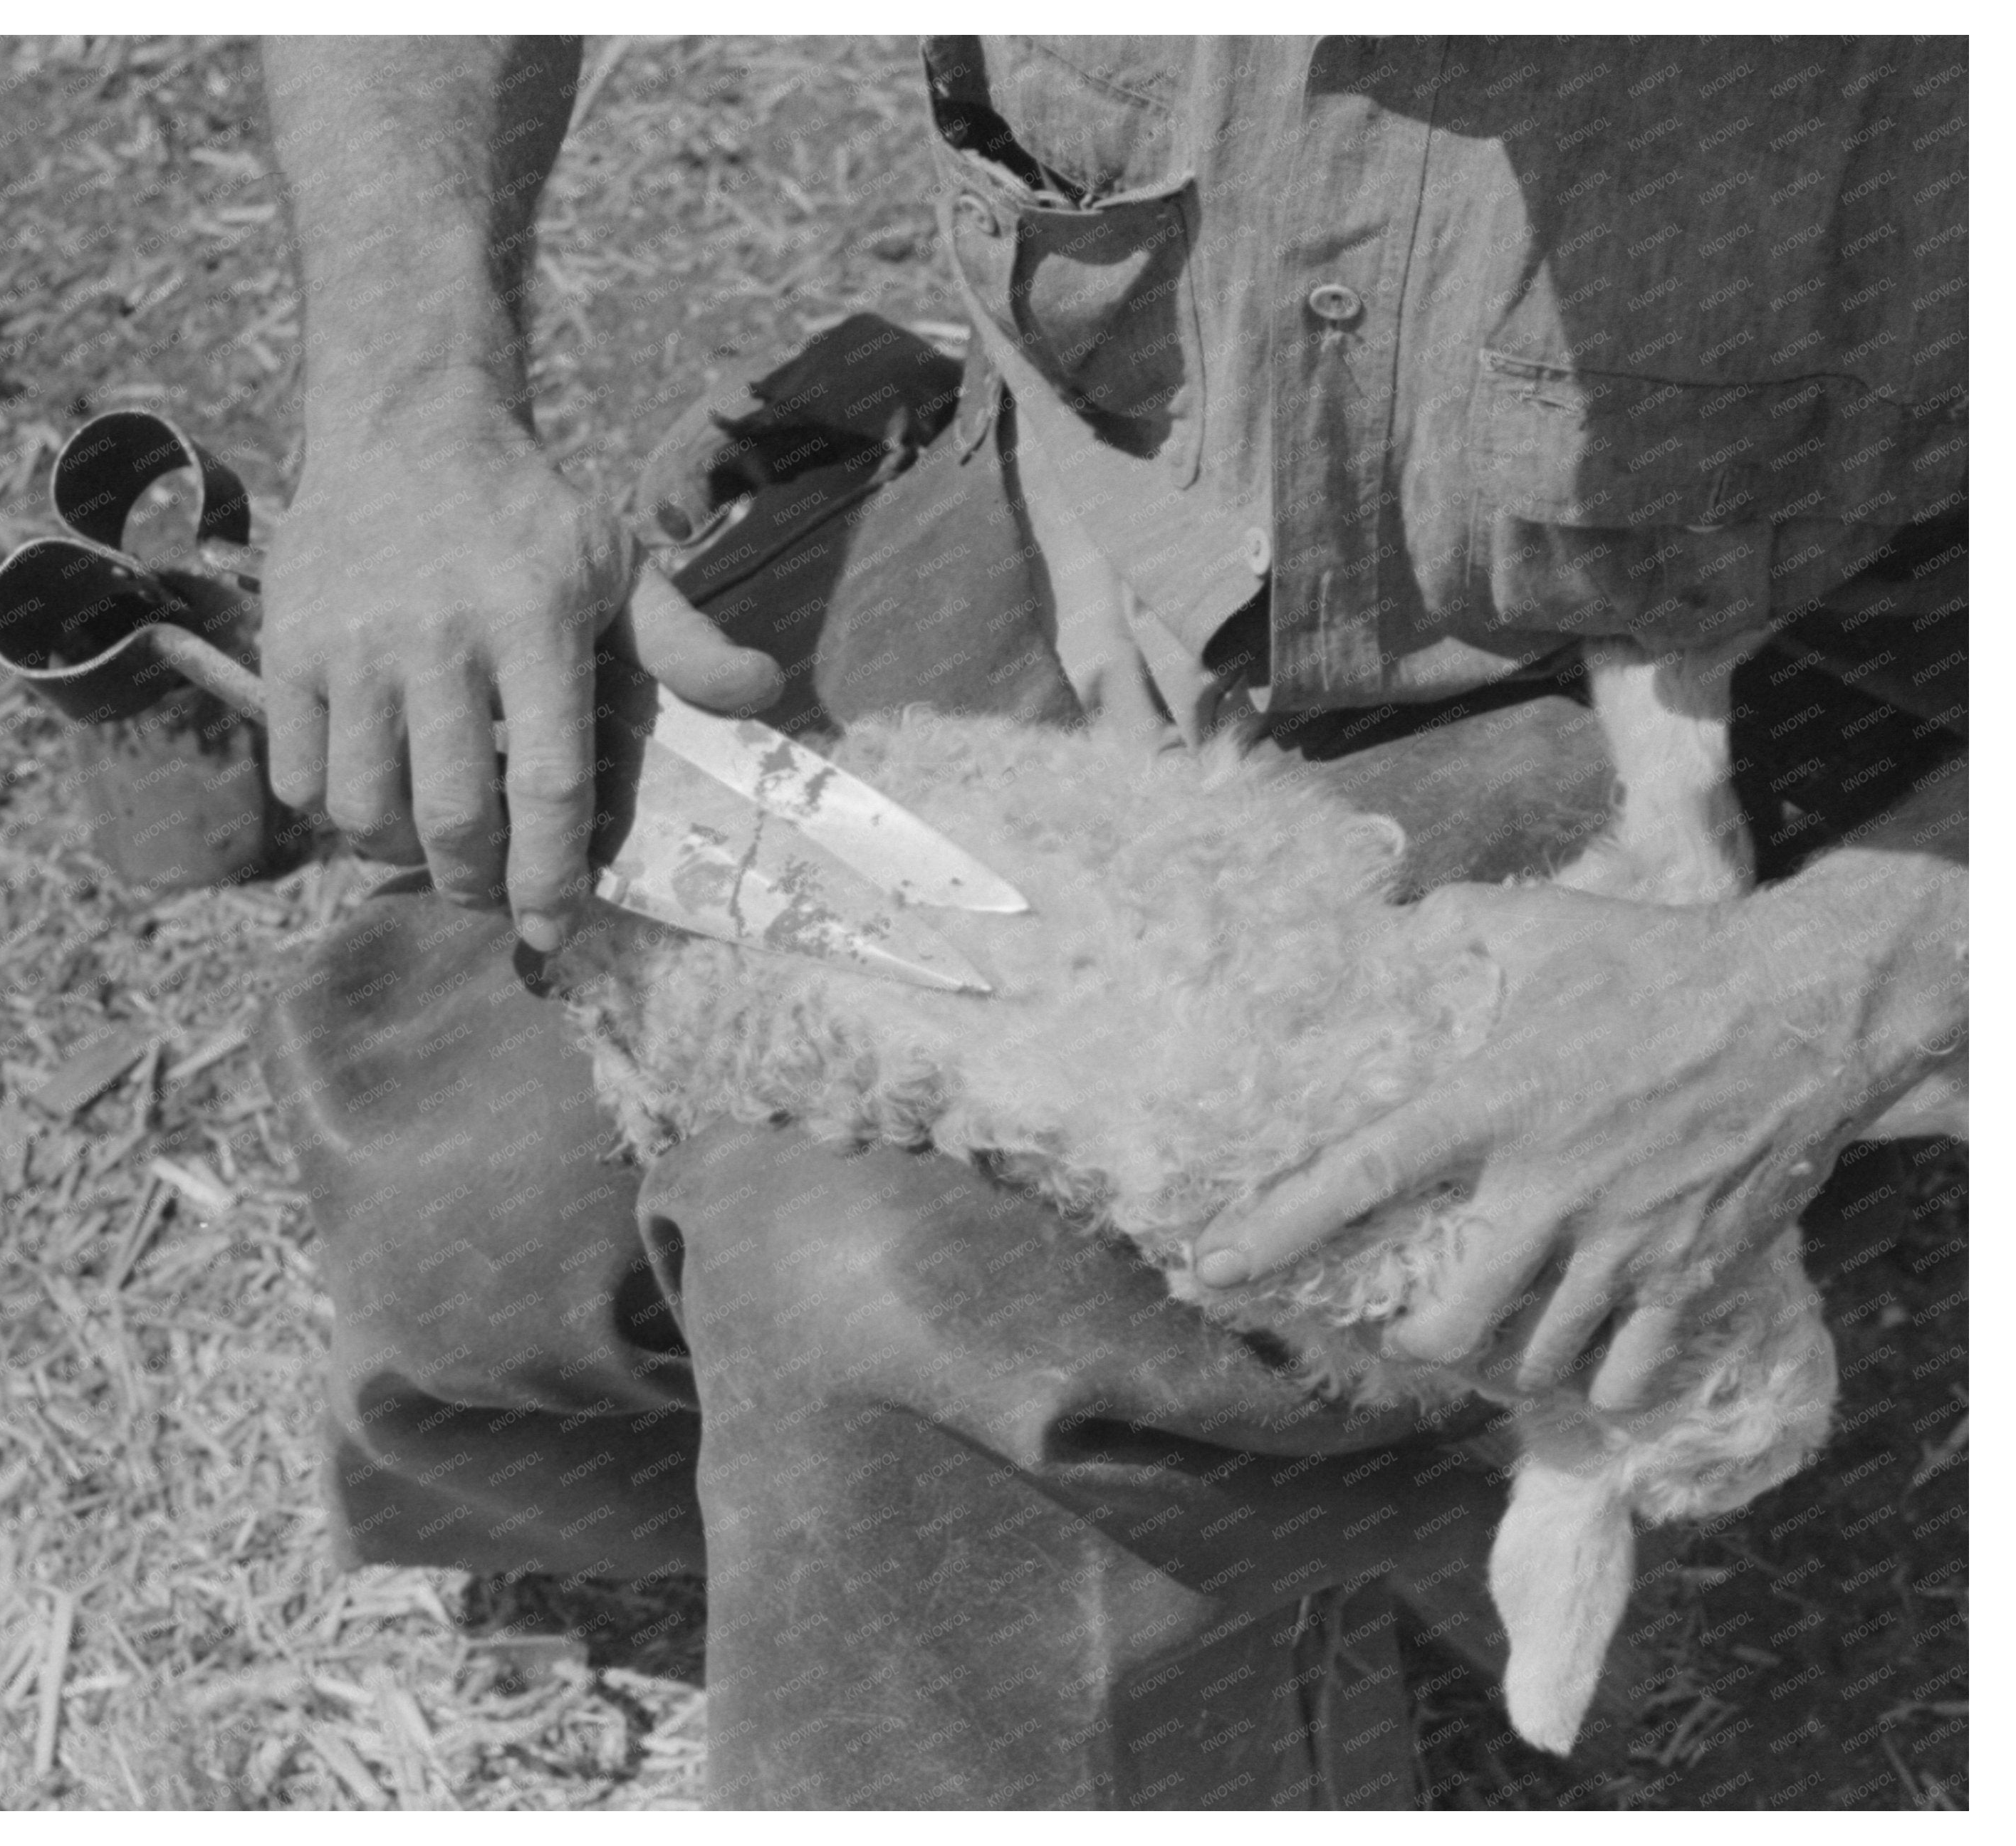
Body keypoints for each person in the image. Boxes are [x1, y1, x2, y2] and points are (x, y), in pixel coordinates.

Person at [251, 36, 1967, 1808]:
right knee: (458, 1145)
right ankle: (1229, 1520)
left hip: (1743, 642)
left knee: (882, 1290)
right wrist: (409, 411)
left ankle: (1259, 1579)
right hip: (1145, 485)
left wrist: (1828, 992)